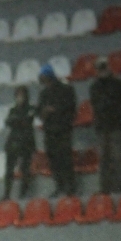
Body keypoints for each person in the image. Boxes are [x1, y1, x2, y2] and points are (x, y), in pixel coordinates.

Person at [90, 58, 121, 195]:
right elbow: (96, 106)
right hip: (102, 127)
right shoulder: (94, 87)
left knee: (118, 157)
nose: (102, 71)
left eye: (103, 67)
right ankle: (105, 188)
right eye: (99, 68)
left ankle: (120, 186)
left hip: (116, 126)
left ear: (109, 67)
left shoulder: (119, 84)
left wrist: (120, 118)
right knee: (103, 158)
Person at [36, 63, 77, 197]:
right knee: (53, 160)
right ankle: (59, 185)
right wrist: (45, 112)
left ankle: (70, 186)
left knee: (65, 158)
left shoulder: (66, 90)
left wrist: (56, 110)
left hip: (63, 129)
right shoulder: (43, 94)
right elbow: (39, 112)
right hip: (50, 131)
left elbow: (71, 108)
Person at [3, 85, 36, 201]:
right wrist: (18, 120)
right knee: (9, 170)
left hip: (26, 143)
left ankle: (24, 193)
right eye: (18, 96)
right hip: (13, 142)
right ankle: (6, 194)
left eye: (22, 96)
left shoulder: (31, 109)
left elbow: (26, 121)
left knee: (25, 169)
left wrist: (17, 120)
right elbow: (8, 122)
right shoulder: (13, 110)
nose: (19, 98)